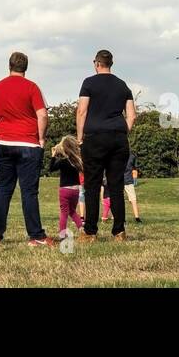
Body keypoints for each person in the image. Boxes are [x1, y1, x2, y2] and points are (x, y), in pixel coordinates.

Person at [0, 51, 52, 247]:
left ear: (9, 66)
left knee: (3, 188)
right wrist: (41, 138)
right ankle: (36, 235)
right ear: (26, 67)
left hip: (5, 144)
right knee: (29, 191)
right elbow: (43, 115)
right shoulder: (32, 87)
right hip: (28, 144)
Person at [77, 49, 135, 242]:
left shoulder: (89, 83)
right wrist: (122, 131)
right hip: (118, 138)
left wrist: (79, 138)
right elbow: (131, 115)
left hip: (94, 137)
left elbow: (82, 111)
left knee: (92, 185)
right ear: (111, 64)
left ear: (97, 63)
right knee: (116, 185)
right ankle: (119, 231)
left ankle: (90, 232)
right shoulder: (122, 85)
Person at [49, 135, 84, 237]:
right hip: (76, 190)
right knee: (72, 211)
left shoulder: (63, 162)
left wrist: (53, 155)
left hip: (65, 190)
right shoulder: (77, 161)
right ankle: (81, 228)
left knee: (64, 213)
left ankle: (62, 234)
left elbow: (51, 169)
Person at [123, 152, 142, 223]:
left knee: (133, 199)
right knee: (121, 200)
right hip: (120, 181)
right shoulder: (131, 156)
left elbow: (134, 168)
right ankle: (122, 218)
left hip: (128, 181)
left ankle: (137, 217)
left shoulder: (132, 156)